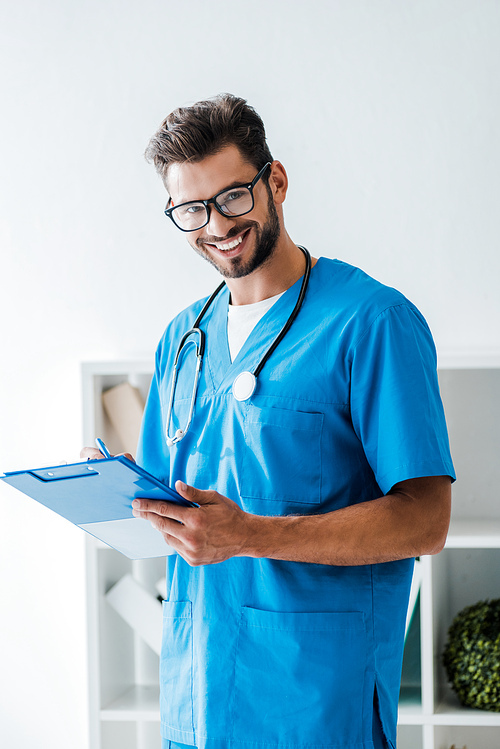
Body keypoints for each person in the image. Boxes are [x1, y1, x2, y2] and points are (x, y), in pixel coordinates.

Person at [85, 94, 455, 749]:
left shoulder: (371, 322)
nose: (215, 224)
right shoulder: (183, 338)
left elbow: (425, 519)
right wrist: (109, 494)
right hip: (199, 698)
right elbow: (164, 521)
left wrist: (252, 533)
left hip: (314, 705)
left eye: (231, 197)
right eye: (191, 209)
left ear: (275, 181)